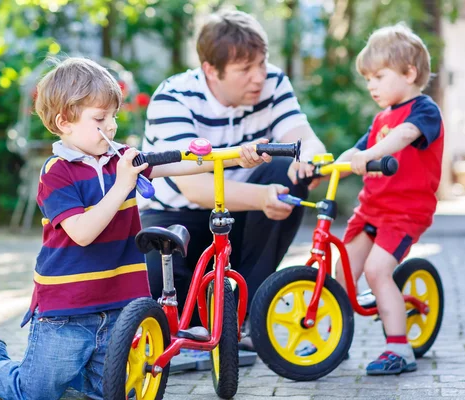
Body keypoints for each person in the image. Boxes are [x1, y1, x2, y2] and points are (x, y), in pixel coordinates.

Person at [0, 57, 267, 400]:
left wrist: (233, 156)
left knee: (112, 391)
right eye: (99, 119)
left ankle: (76, 372)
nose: (110, 127)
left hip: (119, 308)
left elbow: (178, 162)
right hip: (67, 312)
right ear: (64, 122)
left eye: (113, 117)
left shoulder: (121, 158)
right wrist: (122, 185)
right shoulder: (56, 172)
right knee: (35, 393)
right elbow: (81, 232)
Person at [139, 9, 326, 348]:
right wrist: (261, 198)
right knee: (174, 319)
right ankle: (207, 313)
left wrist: (311, 158)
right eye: (245, 69)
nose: (258, 77)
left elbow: (303, 137)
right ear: (211, 70)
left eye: (262, 63)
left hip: (241, 216)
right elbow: (194, 189)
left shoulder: (273, 82)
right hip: (177, 216)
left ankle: (249, 312)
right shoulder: (173, 98)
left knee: (288, 169)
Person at [333, 23, 444, 375]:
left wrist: (370, 154)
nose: (371, 85)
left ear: (409, 73)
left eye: (379, 76)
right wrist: (324, 167)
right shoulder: (382, 117)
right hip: (372, 208)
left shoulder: (423, 112)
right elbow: (358, 150)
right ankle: (335, 339)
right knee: (342, 271)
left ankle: (400, 349)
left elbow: (403, 137)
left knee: (377, 270)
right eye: (368, 79)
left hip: (405, 212)